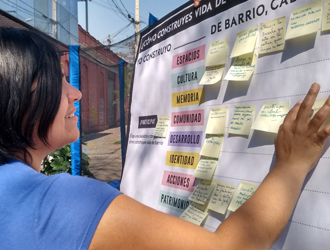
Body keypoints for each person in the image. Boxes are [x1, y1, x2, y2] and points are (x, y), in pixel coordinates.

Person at [0, 27, 329, 250]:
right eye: (59, 81)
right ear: (20, 94)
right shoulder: (59, 203)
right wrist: (293, 164)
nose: (77, 92)